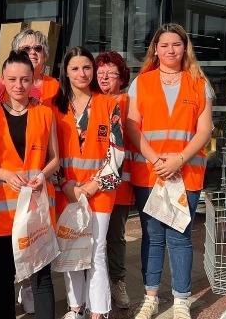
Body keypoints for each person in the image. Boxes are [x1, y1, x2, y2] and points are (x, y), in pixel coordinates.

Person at [126, 24, 213, 319]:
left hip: (185, 173)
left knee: (179, 236)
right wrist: (156, 161)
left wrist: (179, 159)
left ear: (185, 48)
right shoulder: (141, 82)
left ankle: (181, 301)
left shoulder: (199, 83)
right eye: (164, 45)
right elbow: (132, 127)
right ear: (155, 49)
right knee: (152, 236)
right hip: (151, 173)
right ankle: (150, 297)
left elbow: (204, 131)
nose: (170, 50)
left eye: (176, 44)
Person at [0, 51, 60, 319]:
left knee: (41, 272)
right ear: (3, 80)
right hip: (4, 205)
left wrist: (42, 175)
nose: (18, 85)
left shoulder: (45, 114)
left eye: (25, 79)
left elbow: (55, 159)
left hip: (36, 204)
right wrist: (5, 174)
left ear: (33, 80)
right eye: (12, 79)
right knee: (5, 270)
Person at [52, 47, 123, 319]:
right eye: (75, 68)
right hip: (66, 191)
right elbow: (49, 153)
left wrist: (93, 186)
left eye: (87, 68)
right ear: (65, 72)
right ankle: (75, 308)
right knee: (70, 248)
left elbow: (117, 151)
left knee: (96, 250)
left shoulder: (108, 104)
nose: (82, 73)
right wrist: (65, 185)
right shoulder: (54, 107)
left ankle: (99, 311)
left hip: (99, 192)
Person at [95, 51, 133, 309]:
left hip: (120, 184)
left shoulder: (129, 103)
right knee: (93, 236)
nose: (105, 77)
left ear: (122, 77)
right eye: (100, 72)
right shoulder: (91, 102)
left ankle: (117, 281)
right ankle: (95, 286)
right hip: (92, 182)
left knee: (115, 236)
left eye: (111, 73)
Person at [0, 28, 59, 105]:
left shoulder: (54, 85)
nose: (32, 52)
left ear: (45, 55)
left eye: (38, 48)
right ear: (15, 54)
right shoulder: (0, 86)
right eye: (26, 48)